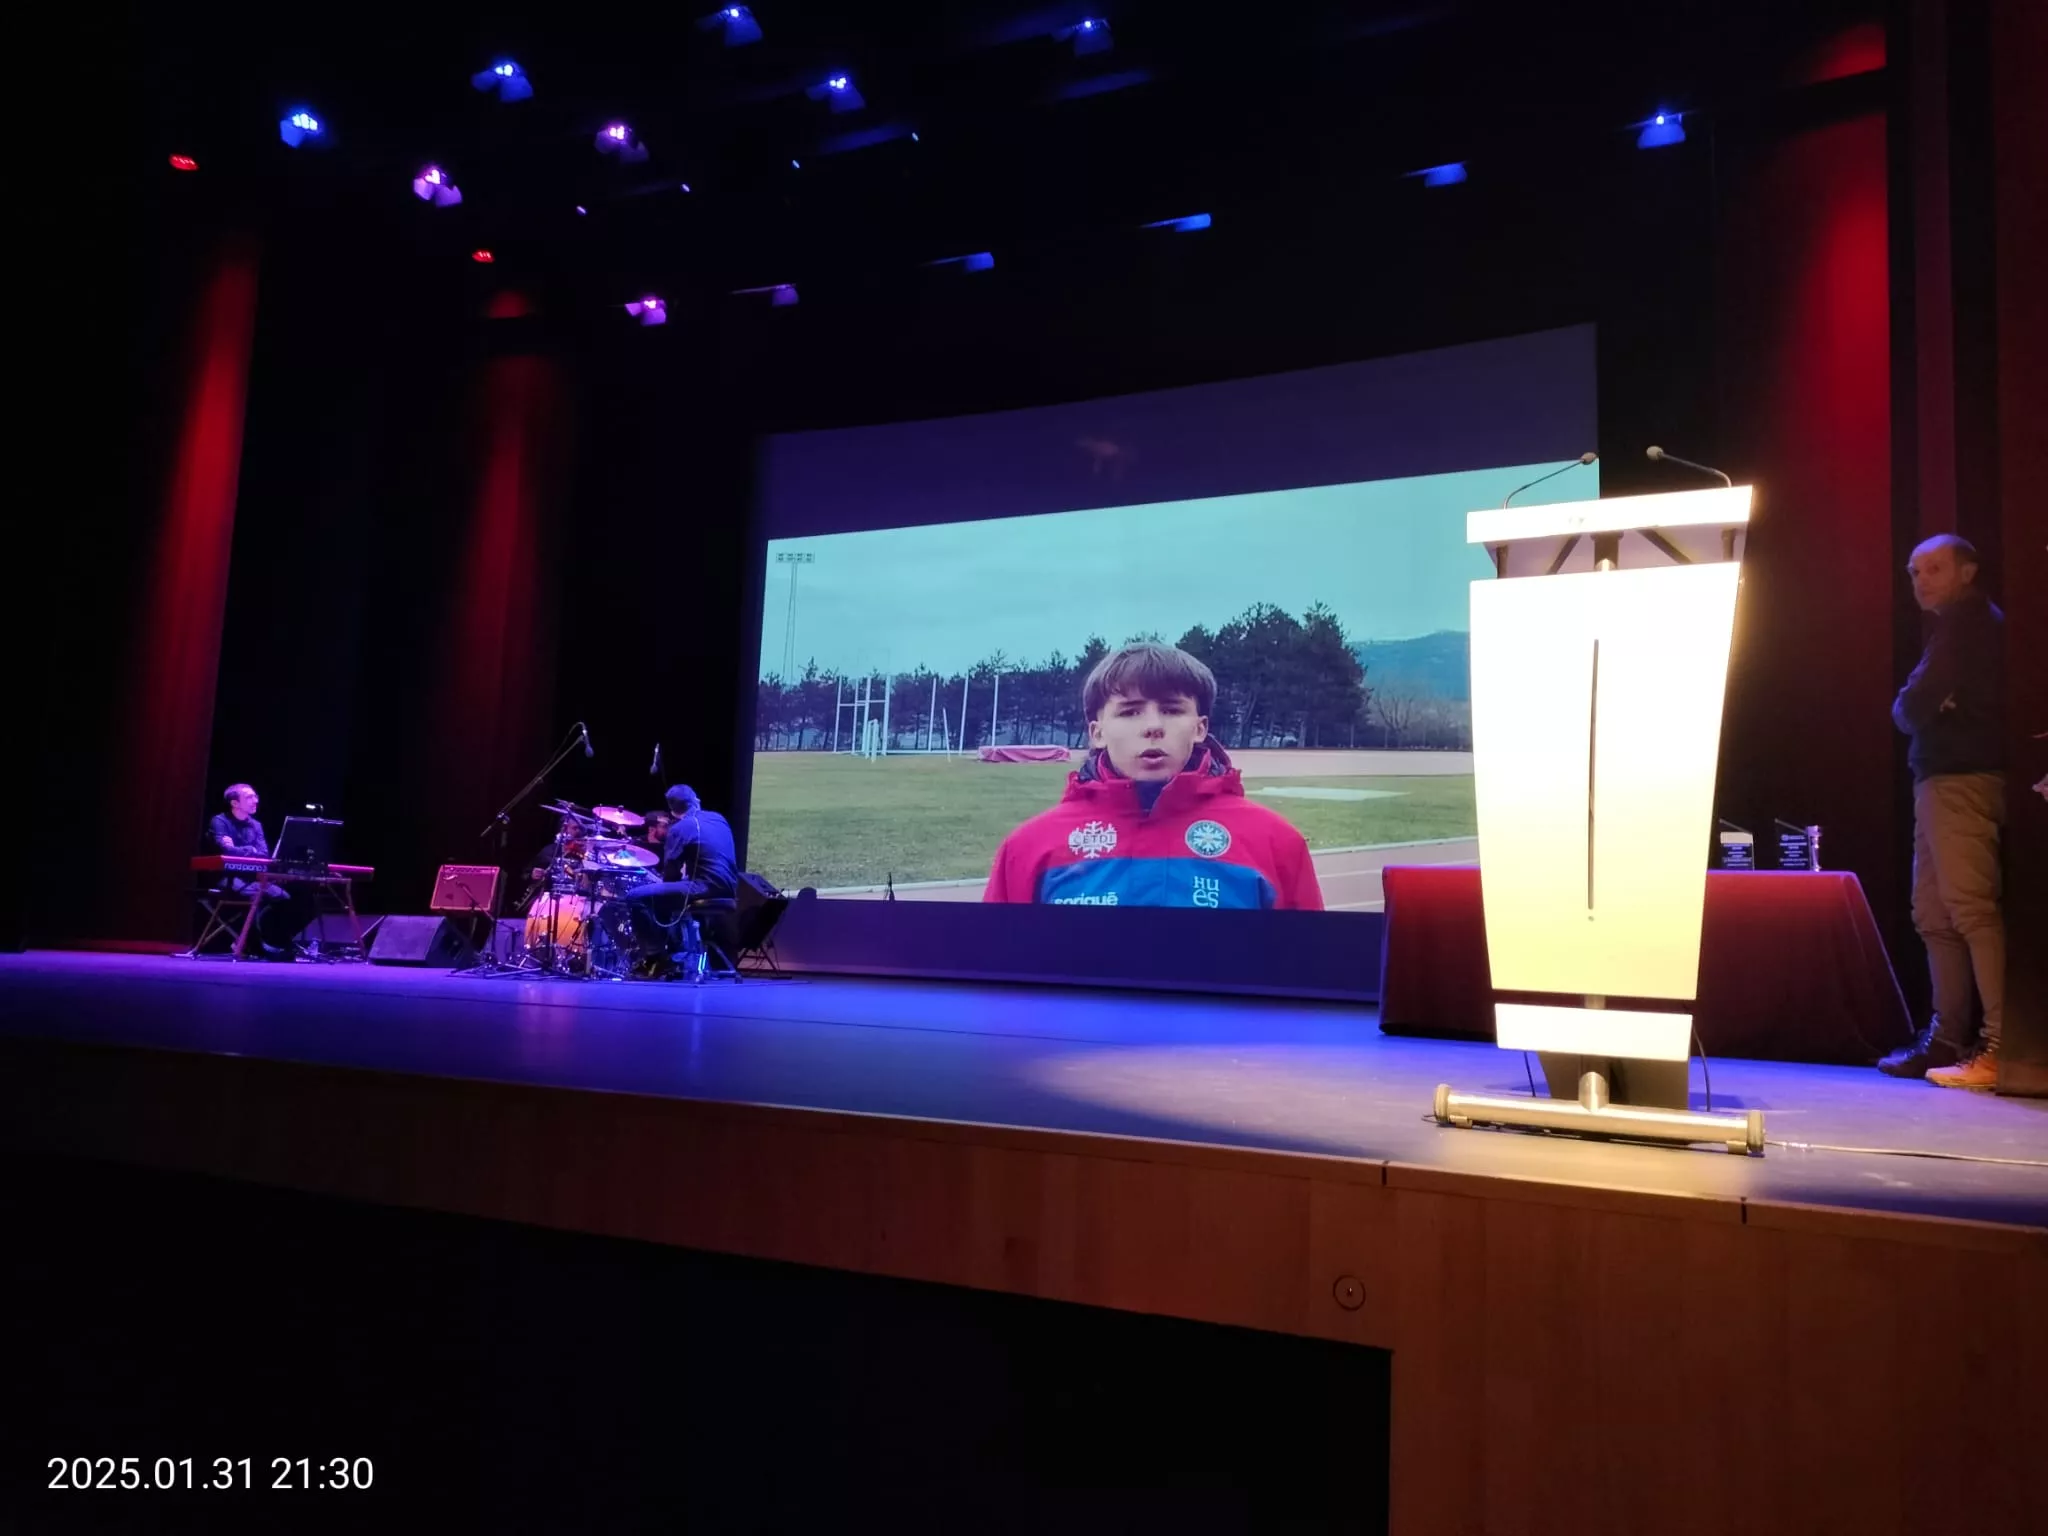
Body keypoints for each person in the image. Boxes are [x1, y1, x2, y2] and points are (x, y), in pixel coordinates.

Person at [983, 642, 1324, 909]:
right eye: (1130, 712)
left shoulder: (1275, 843)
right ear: (1097, 732)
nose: (1153, 727)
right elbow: (994, 978)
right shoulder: (1029, 848)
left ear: (1200, 728)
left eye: (1172, 710)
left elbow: (1313, 979)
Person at [1877, 534, 2006, 1090]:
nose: (1920, 581)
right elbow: (1918, 704)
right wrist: (1927, 702)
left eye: (1933, 568)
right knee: (1932, 914)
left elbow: (1908, 707)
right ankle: (1949, 1037)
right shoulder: (1951, 627)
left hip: (1963, 779)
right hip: (1936, 780)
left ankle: (2002, 1045)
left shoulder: (1969, 623)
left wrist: (1927, 702)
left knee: (1971, 910)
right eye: (1913, 571)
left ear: (1969, 572)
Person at [622, 785, 739, 958]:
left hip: (704, 888)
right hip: (730, 888)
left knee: (635, 896)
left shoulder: (679, 829)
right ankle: (674, 952)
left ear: (673, 811)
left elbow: (670, 876)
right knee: (663, 899)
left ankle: (656, 958)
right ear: (696, 800)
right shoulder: (719, 818)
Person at [204, 783, 315, 959]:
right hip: (228, 877)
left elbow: (264, 854)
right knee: (254, 895)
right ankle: (252, 945)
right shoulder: (220, 821)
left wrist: (243, 849)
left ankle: (273, 941)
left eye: (255, 796)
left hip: (253, 877)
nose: (255, 800)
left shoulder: (256, 825)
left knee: (284, 899)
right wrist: (251, 850)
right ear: (235, 803)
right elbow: (227, 851)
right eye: (249, 797)